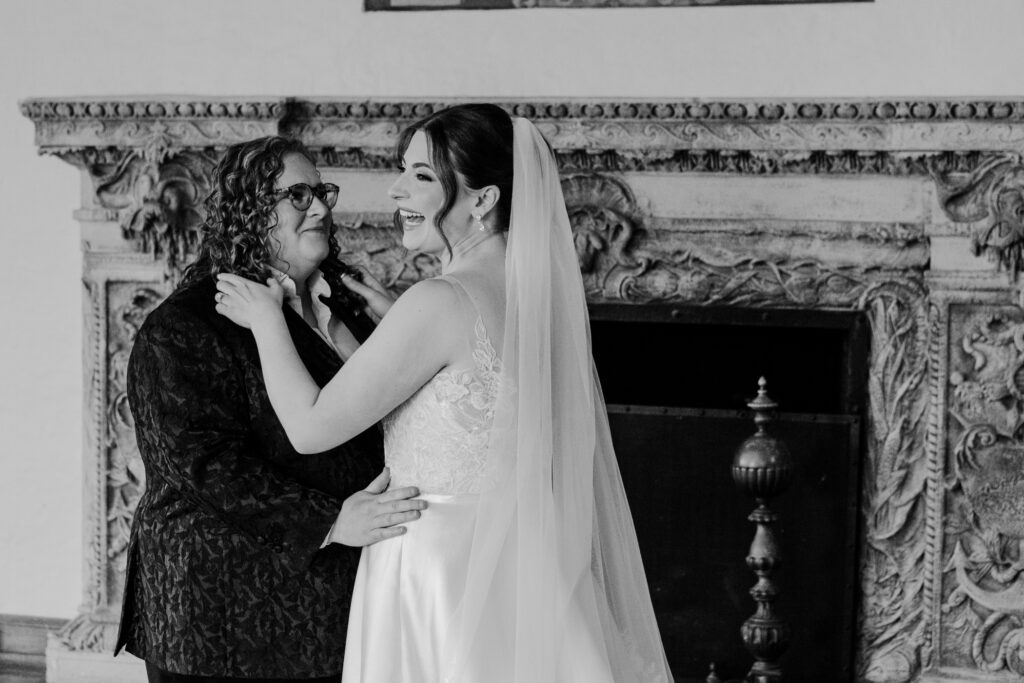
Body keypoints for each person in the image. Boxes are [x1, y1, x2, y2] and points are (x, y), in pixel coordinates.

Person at [215, 105, 673, 682]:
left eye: (422, 176)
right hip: (526, 566)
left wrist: (266, 321)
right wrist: (383, 325)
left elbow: (309, 428)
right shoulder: (535, 298)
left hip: (437, 573)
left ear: (482, 199)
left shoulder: (438, 301)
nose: (396, 190)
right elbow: (463, 398)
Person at [114, 136, 427, 683]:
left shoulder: (349, 303)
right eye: (299, 196)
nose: (322, 208)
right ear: (250, 208)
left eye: (323, 192)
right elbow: (204, 464)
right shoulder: (184, 325)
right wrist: (332, 520)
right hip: (220, 620)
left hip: (334, 606)